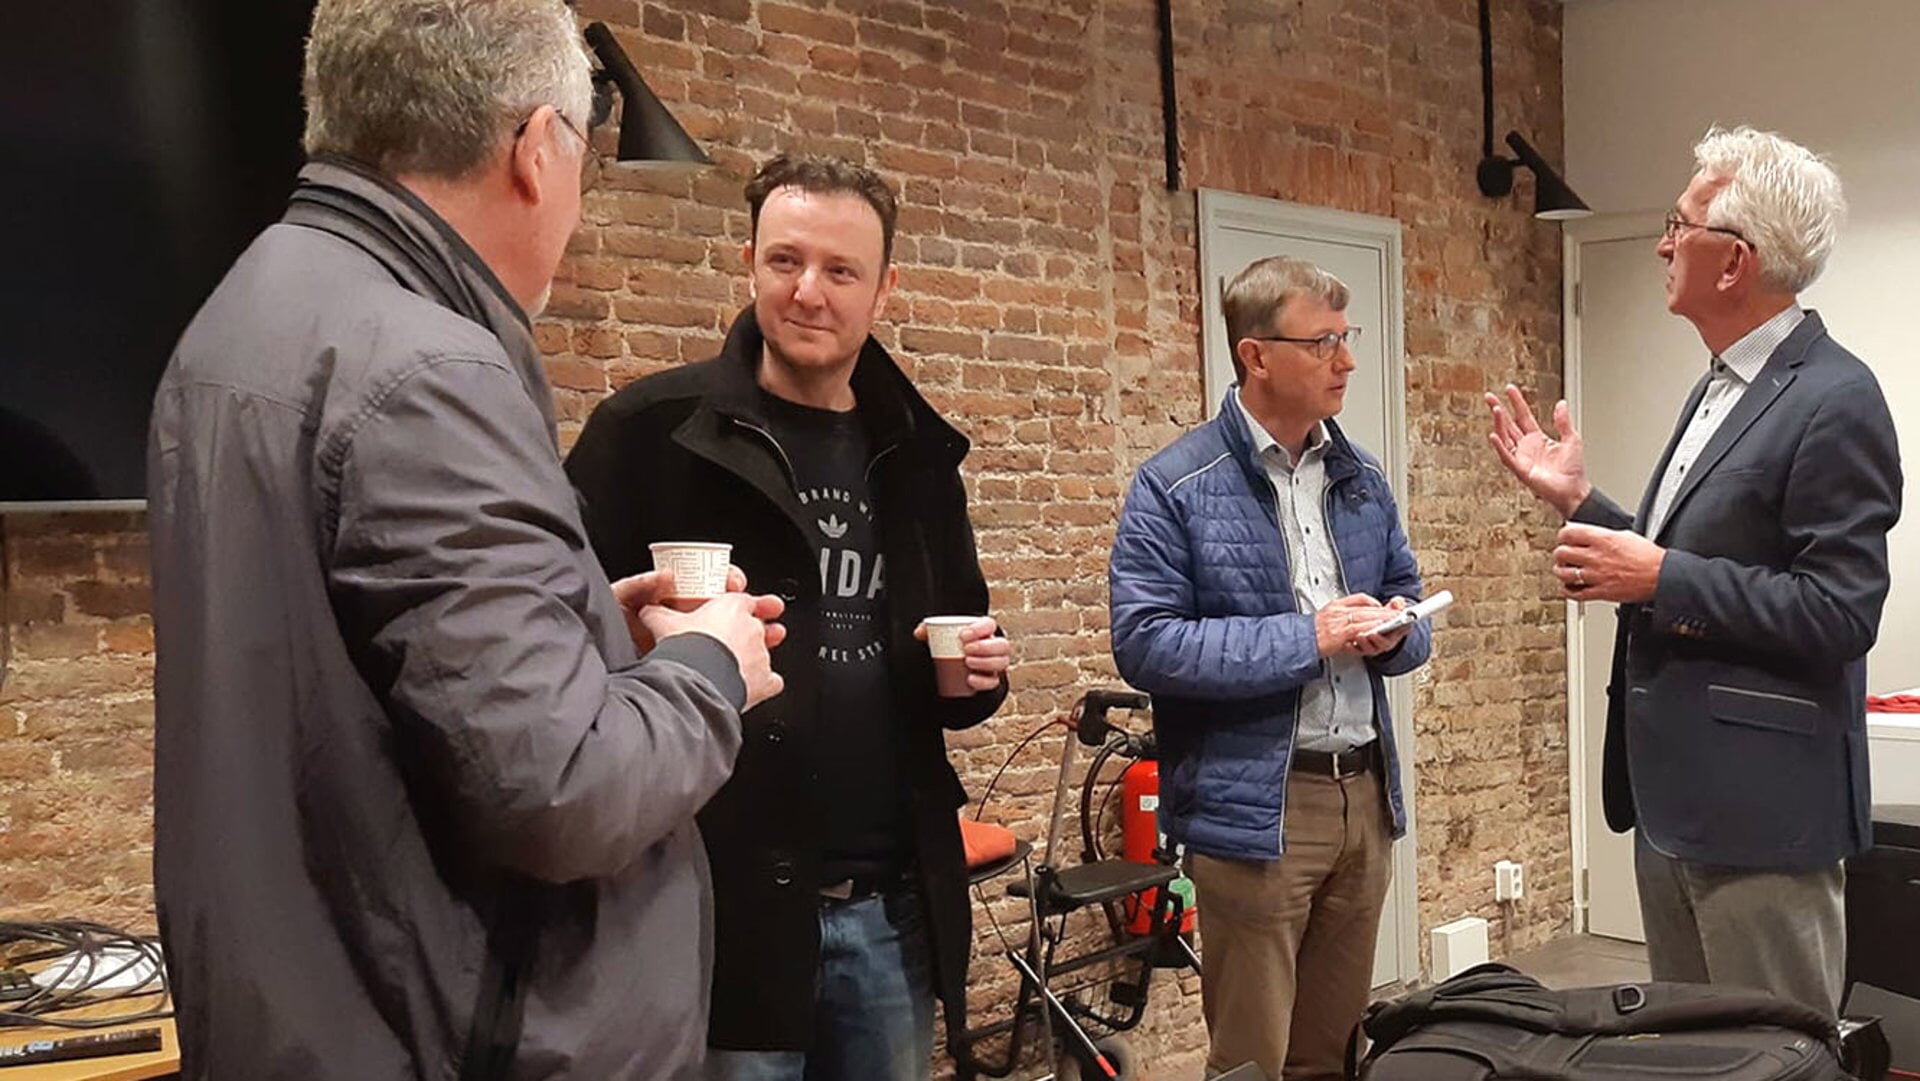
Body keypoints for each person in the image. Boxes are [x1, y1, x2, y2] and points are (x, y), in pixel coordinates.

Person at [145, 2, 786, 1078]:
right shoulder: (430, 373)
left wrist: (591, 633)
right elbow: (562, 789)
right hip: (452, 1036)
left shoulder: (245, 315)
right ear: (539, 149)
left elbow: (369, 688)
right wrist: (710, 665)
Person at [565, 153, 1012, 1081]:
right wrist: (629, 637)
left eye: (840, 271)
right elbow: (554, 645)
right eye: (785, 261)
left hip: (889, 913)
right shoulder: (648, 433)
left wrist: (967, 679)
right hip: (715, 912)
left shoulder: (918, 452)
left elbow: (957, 649)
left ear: (884, 288)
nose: (808, 292)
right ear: (749, 261)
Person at [1486, 126, 1901, 1017]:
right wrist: (1583, 503)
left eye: (1679, 224)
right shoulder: (1721, 384)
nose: (1664, 243)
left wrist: (1660, 575)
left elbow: (1840, 611)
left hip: (1763, 818)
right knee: (1690, 1052)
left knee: (1774, 1054)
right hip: (1674, 801)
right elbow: (1688, 560)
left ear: (1733, 263)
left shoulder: (1837, 397)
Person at [1108, 256, 1433, 1079]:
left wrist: (1397, 634)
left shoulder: (1359, 476)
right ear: (1256, 356)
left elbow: (1411, 608)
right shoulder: (1175, 485)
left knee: (1331, 1051)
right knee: (1252, 1059)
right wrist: (1308, 637)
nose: (1347, 361)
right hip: (1257, 807)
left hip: (1364, 794)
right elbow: (1146, 642)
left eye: (1346, 338)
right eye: (1324, 342)